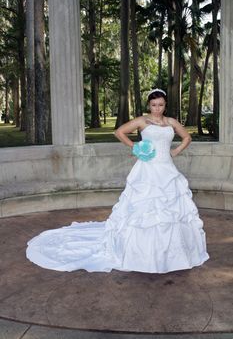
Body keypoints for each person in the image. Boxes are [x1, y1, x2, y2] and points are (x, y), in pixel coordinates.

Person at [26, 88, 209, 273]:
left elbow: (187, 137)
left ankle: (172, 255)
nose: (157, 108)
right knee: (144, 208)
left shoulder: (171, 122)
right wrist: (137, 147)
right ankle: (141, 253)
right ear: (149, 105)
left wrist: (175, 151)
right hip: (147, 170)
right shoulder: (142, 120)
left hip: (167, 170)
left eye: (161, 105)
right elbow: (119, 132)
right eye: (154, 105)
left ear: (165, 105)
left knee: (172, 210)